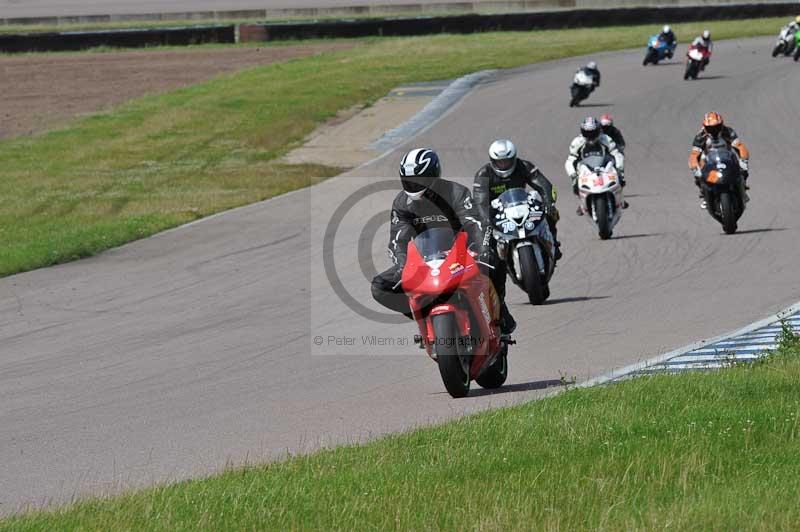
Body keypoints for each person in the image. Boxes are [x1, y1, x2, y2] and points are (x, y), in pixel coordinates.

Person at [371, 147, 516, 334]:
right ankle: (422, 313)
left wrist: (483, 248)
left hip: (463, 252)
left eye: (418, 180)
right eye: (408, 181)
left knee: (494, 259)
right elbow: (397, 239)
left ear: (433, 176)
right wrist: (402, 264)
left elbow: (474, 223)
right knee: (379, 287)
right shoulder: (402, 203)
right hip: (425, 258)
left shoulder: (456, 192)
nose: (413, 185)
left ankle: (500, 310)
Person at [472, 140, 562, 305]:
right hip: (497, 213)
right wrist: (485, 220)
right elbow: (479, 202)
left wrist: (549, 201)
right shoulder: (483, 174)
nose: (504, 165)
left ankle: (554, 242)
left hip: (522, 205)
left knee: (552, 213)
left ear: (514, 158)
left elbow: (543, 184)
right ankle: (497, 269)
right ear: (493, 161)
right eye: (500, 162)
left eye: (507, 161)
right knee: (485, 245)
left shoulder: (524, 166)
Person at [688, 112, 751, 209]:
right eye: (710, 128)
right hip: (709, 161)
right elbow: (694, 154)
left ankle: (742, 188)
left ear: (721, 125)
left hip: (726, 158)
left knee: (743, 171)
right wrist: (695, 168)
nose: (714, 131)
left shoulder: (728, 131)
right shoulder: (700, 136)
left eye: (717, 127)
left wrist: (744, 162)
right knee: (699, 177)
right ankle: (705, 194)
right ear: (704, 127)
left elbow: (739, 146)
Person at [565, 117, 626, 211]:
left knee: (620, 176)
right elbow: (570, 161)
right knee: (576, 182)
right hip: (585, 165)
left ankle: (620, 198)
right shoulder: (577, 142)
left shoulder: (605, 138)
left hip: (604, 162)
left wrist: (619, 169)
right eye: (587, 133)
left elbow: (616, 154)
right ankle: (582, 203)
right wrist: (573, 176)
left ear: (598, 130)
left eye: (593, 133)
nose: (590, 136)